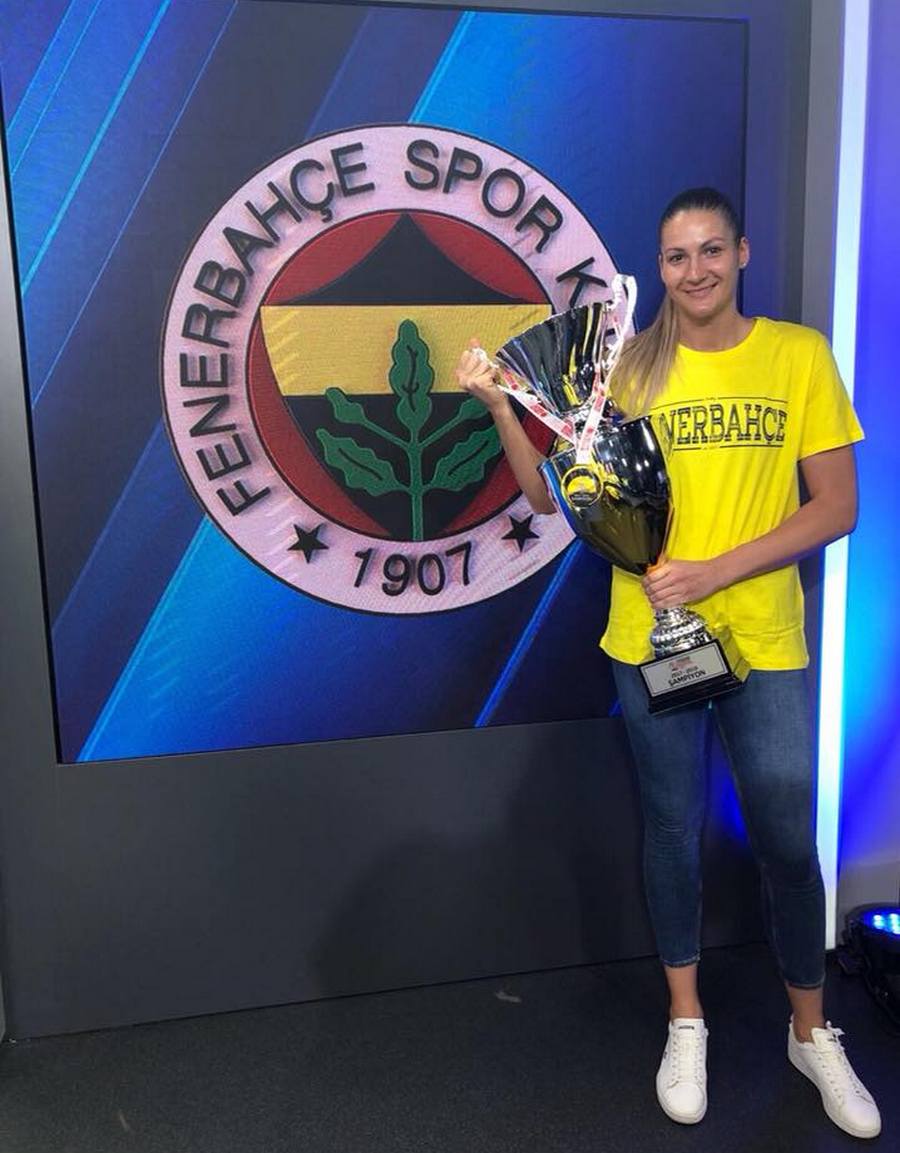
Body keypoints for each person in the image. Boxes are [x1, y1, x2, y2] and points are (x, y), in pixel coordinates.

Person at [455, 187, 881, 1139]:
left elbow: (837, 507)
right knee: (673, 830)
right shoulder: (627, 366)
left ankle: (811, 1032)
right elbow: (546, 495)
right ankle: (686, 1019)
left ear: (742, 253)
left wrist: (715, 570)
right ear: (661, 267)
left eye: (711, 250)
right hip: (648, 643)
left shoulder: (799, 355)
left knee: (786, 838)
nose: (695, 270)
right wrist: (499, 407)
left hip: (763, 637)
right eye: (677, 256)